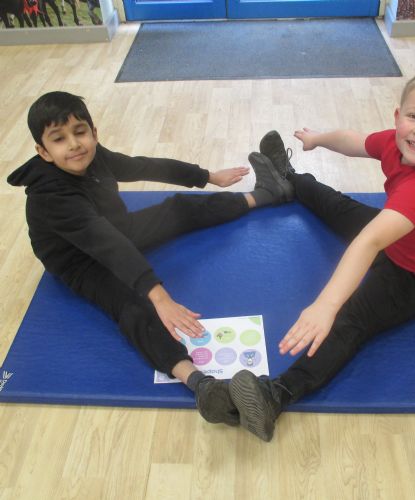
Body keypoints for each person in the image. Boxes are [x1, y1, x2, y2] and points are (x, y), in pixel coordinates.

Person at [7, 91, 294, 426]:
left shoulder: (95, 156)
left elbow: (142, 166)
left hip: (116, 227)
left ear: (94, 132)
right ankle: (202, 385)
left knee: (178, 208)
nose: (74, 144)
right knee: (130, 305)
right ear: (43, 151)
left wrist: (206, 176)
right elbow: (107, 245)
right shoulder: (51, 196)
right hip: (79, 260)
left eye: (79, 132)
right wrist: (160, 298)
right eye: (59, 139)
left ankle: (268, 193)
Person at [228, 68, 415, 441]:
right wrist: (316, 139)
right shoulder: (399, 142)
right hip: (399, 237)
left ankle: (274, 396)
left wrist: (325, 306)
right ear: (398, 116)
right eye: (414, 116)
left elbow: (369, 242)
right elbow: (354, 141)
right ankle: (287, 179)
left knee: (350, 319)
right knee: (338, 206)